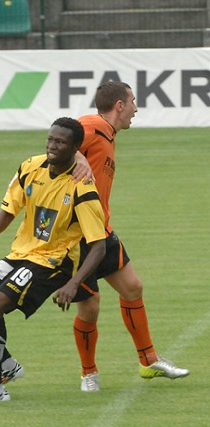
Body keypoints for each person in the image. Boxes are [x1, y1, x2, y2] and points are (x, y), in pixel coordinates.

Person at [0, 117, 107, 403]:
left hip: (53, 262)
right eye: (50, 139)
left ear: (76, 148)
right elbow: (9, 209)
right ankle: (6, 365)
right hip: (22, 254)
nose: (52, 146)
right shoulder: (30, 167)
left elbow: (98, 245)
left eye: (60, 142)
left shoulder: (82, 187)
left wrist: (74, 284)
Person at [70, 81, 189, 391]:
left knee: (133, 288)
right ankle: (88, 374)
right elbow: (59, 138)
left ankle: (149, 361)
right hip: (77, 236)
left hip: (102, 229)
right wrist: (77, 156)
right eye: (133, 102)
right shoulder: (93, 124)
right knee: (90, 305)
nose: (136, 109)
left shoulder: (108, 135)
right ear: (119, 106)